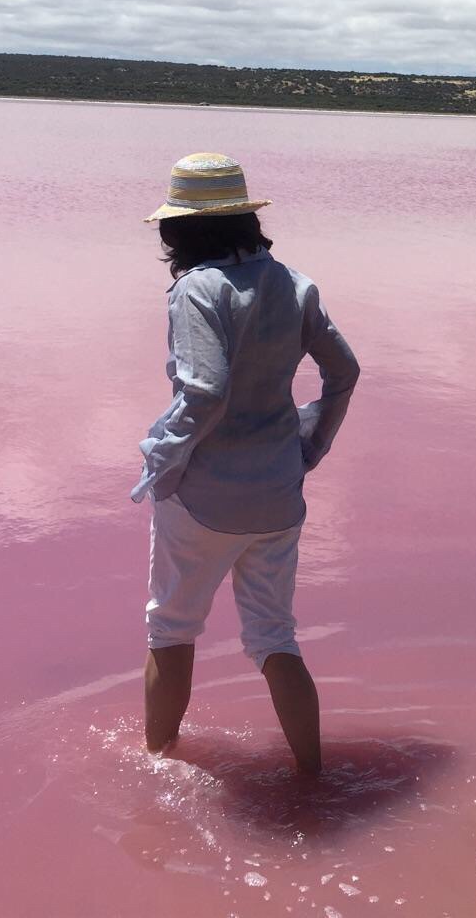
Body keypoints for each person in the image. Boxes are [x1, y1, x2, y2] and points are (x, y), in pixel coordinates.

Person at [131, 151, 360, 774]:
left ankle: (159, 767)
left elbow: (205, 389)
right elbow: (344, 372)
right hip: (279, 496)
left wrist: (160, 455)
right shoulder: (293, 283)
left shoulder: (195, 290)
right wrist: (308, 445)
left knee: (172, 630)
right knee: (274, 638)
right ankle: (312, 774)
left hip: (203, 497)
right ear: (244, 219)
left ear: (177, 229)